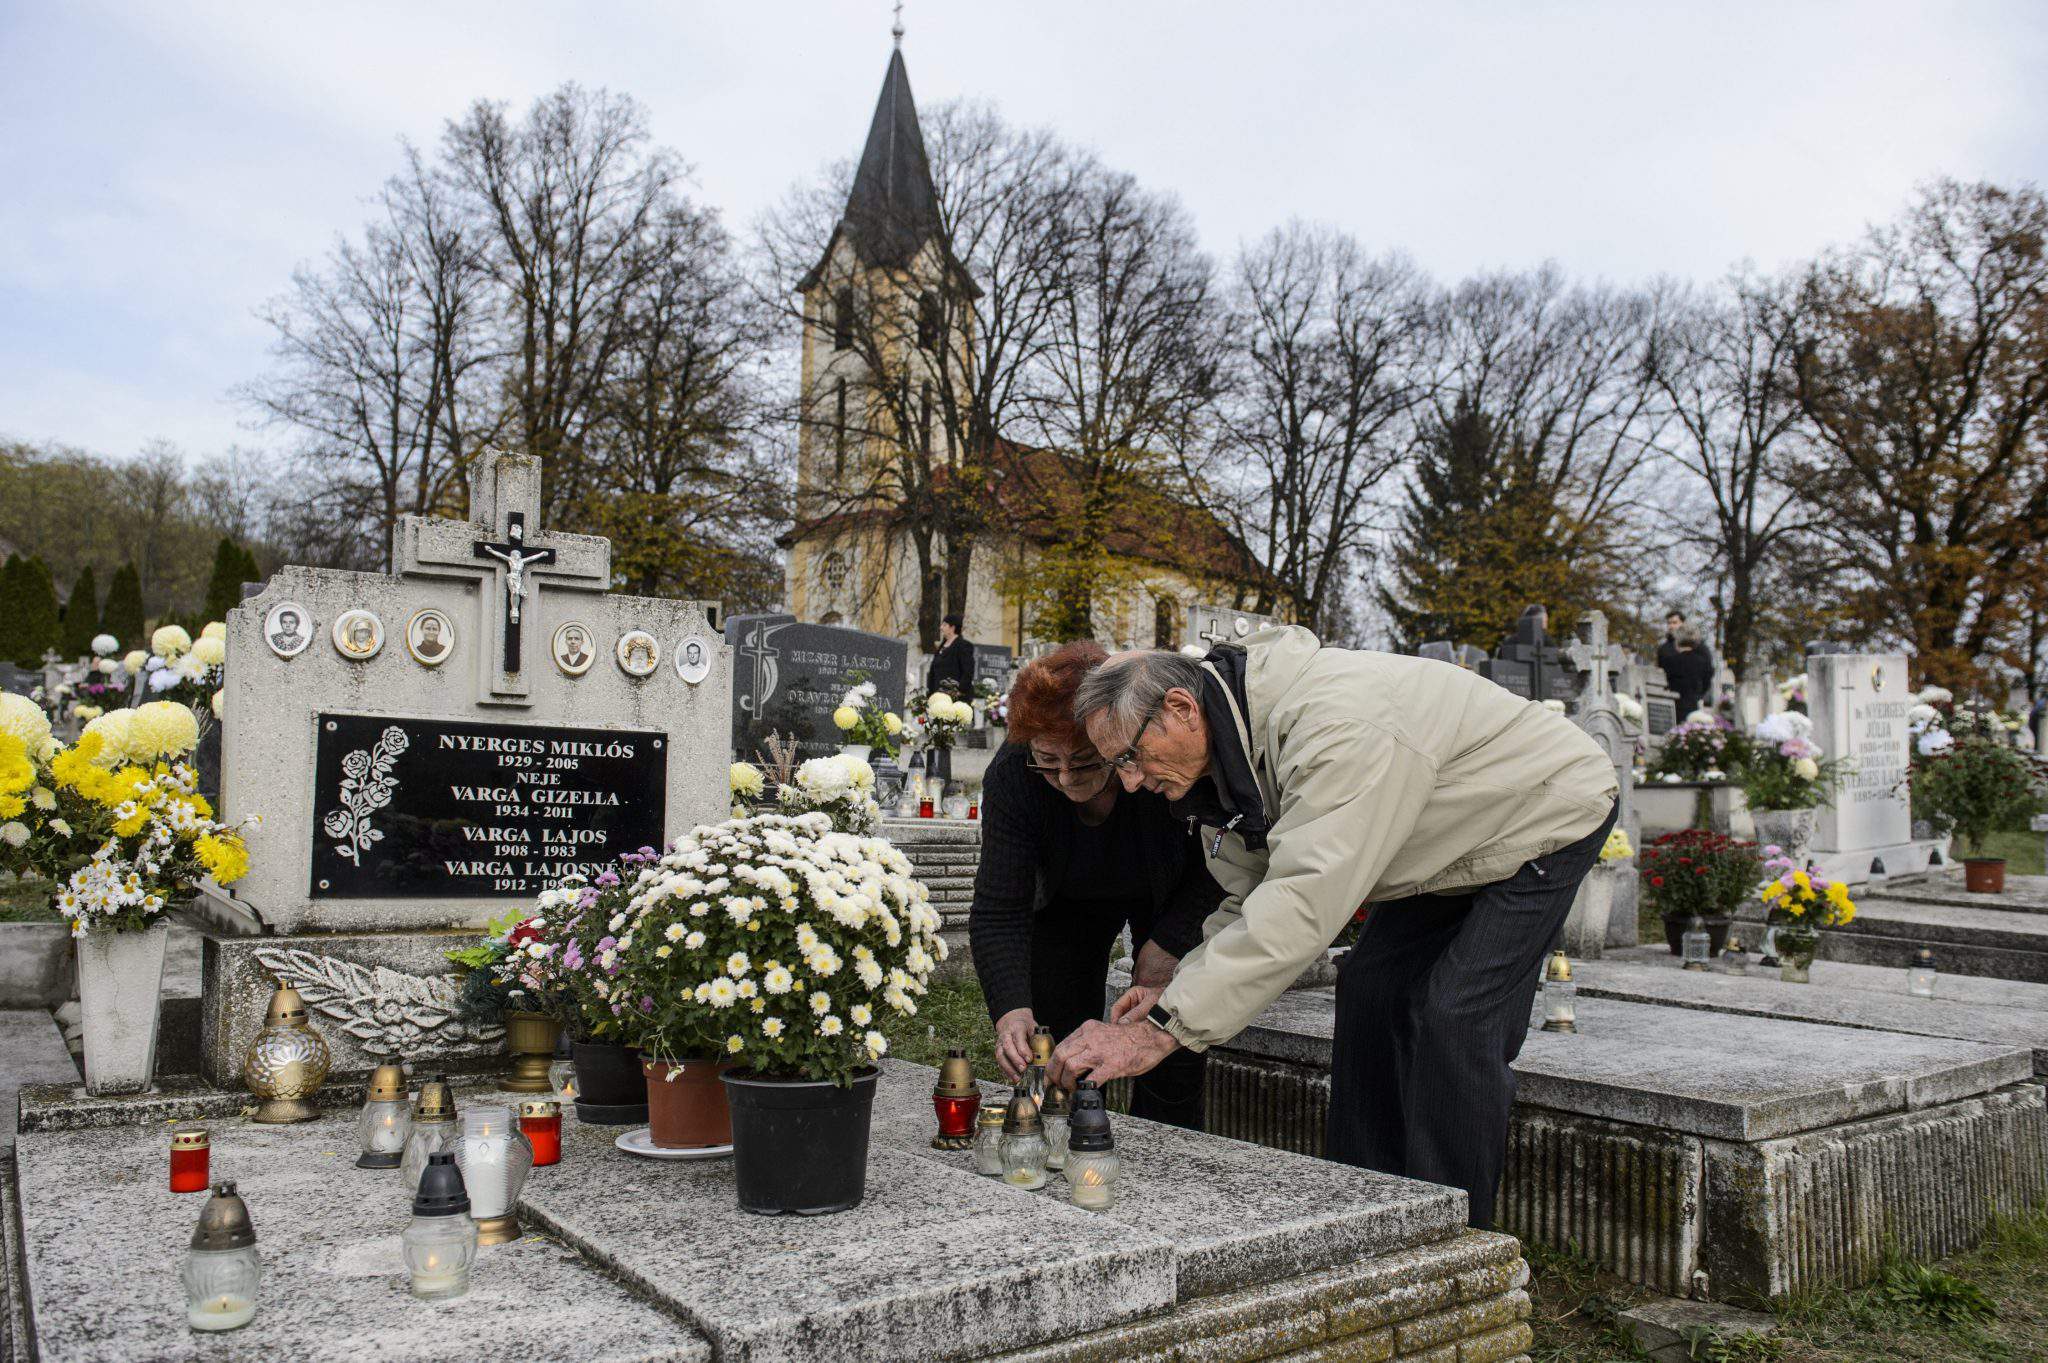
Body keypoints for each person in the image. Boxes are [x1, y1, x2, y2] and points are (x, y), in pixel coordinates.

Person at [1048, 629, 1617, 1229]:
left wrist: (1162, 1031)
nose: (1130, 782)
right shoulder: (1228, 754)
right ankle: (1369, 1206)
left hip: (1544, 810)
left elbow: (1303, 900)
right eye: (1118, 766)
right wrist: (1177, 989)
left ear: (1181, 708)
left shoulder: (1337, 728)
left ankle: (1455, 1235)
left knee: (1455, 1015)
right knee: (1368, 989)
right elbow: (1253, 894)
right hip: (1448, 834)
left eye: (1130, 757)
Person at [970, 641, 1217, 1129]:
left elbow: (1214, 868)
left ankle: (1167, 1141)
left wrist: (1168, 944)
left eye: (1083, 760)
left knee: (1162, 1025)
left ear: (1114, 741)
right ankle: (1068, 1136)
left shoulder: (1154, 761)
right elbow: (1000, 906)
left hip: (1167, 896)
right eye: (1047, 760)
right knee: (1056, 1040)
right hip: (1066, 904)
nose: (1064, 778)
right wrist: (1011, 1011)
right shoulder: (1014, 773)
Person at [1666, 625, 1714, 721]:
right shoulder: (1703, 662)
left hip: (1673, 706)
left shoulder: (1669, 661)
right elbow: (1706, 684)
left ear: (1677, 641)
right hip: (1693, 705)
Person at [926, 614, 974, 698]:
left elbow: (968, 671)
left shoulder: (963, 646)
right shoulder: (941, 646)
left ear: (952, 628)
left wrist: (960, 691)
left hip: (955, 696)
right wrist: (930, 692)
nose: (941, 628)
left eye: (944, 625)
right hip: (937, 695)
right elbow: (933, 671)